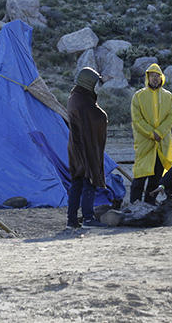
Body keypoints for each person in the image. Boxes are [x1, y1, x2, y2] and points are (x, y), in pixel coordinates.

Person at [67, 67, 108, 229]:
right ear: (89, 82)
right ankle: (88, 218)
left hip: (76, 147)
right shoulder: (83, 101)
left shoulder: (75, 97)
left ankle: (71, 220)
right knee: (88, 181)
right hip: (84, 147)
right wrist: (103, 116)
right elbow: (97, 117)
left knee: (77, 184)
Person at [129, 63, 172, 204]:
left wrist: (159, 132)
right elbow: (137, 119)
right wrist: (151, 133)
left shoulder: (168, 96)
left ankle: (149, 205)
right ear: (147, 78)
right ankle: (134, 206)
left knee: (155, 178)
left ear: (162, 78)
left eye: (157, 76)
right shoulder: (138, 96)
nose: (155, 79)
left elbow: (171, 117)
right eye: (152, 76)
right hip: (145, 143)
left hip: (162, 143)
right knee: (139, 177)